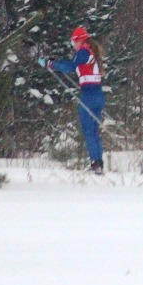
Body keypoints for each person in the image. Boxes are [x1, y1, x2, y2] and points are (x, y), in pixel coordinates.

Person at [40, 26, 106, 174]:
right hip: (98, 94)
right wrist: (55, 63)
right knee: (94, 131)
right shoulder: (92, 51)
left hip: (89, 95)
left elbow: (70, 66)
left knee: (88, 131)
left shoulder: (83, 51)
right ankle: (99, 162)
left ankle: (95, 164)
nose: (73, 45)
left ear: (80, 40)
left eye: (73, 42)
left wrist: (51, 64)